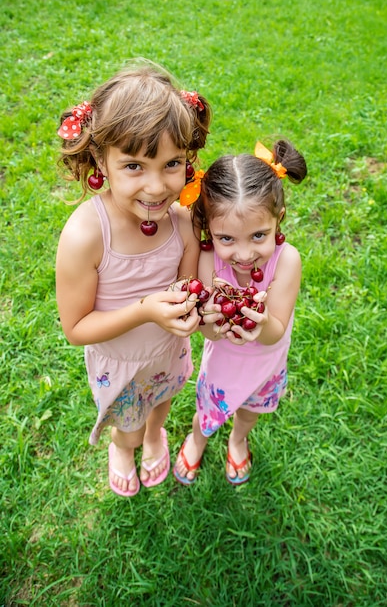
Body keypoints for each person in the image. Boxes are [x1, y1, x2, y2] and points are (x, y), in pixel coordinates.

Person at [56, 60, 212, 496]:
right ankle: (123, 448)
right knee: (128, 422)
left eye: (172, 163)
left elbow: (187, 289)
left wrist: (197, 311)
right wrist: (145, 310)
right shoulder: (87, 235)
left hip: (167, 353)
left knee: (159, 406)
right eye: (134, 167)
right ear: (99, 160)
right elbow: (76, 328)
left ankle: (155, 434)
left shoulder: (182, 221)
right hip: (119, 366)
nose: (157, 185)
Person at [173, 139, 307, 485]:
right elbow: (205, 327)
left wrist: (258, 325)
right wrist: (214, 323)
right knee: (207, 409)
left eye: (259, 235)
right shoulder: (207, 259)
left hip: (267, 359)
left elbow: (274, 329)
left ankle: (238, 437)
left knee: (251, 410)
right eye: (227, 239)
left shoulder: (287, 260)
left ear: (279, 220)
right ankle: (198, 438)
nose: (245, 255)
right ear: (209, 230)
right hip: (224, 359)